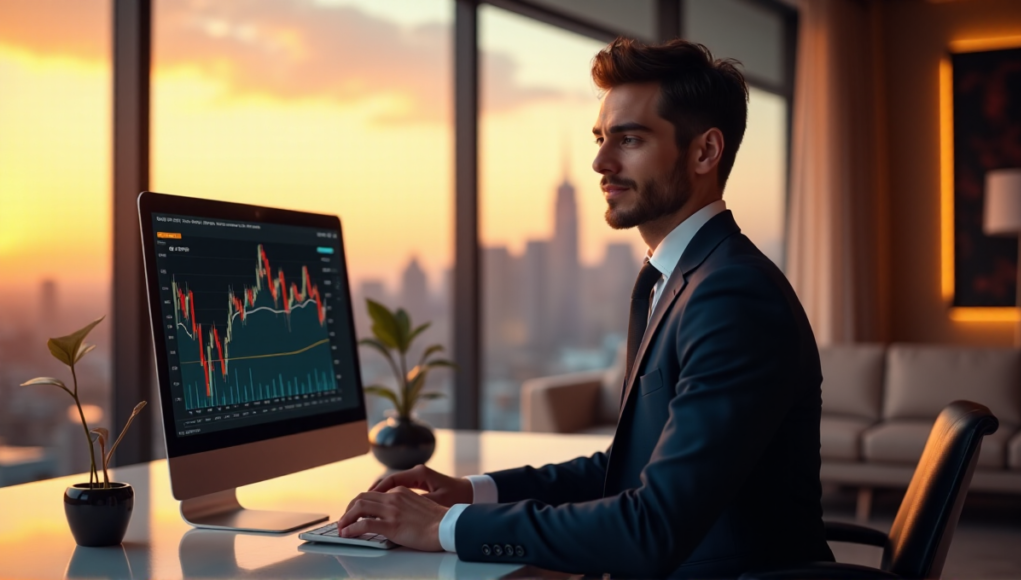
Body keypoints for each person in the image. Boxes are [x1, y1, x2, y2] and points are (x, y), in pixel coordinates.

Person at [336, 37, 834, 578]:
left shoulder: (731, 294)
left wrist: (444, 527)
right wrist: (472, 493)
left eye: (630, 139)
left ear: (704, 152)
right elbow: (632, 466)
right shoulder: (678, 279)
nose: (601, 161)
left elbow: (652, 527)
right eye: (601, 138)